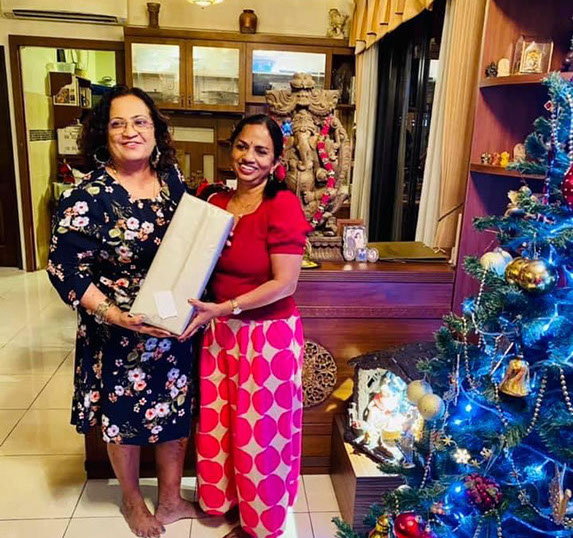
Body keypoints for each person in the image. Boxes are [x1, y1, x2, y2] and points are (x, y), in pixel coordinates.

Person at [47, 86, 200, 538]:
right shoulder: (87, 196)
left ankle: (170, 499)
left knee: (175, 411)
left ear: (155, 130)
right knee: (122, 420)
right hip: (118, 329)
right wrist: (115, 315)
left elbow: (189, 239)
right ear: (103, 133)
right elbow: (64, 270)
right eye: (118, 123)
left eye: (140, 122)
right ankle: (132, 501)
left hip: (172, 324)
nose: (131, 131)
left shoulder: (171, 180)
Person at [178, 114, 311, 538]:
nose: (248, 157)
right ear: (230, 148)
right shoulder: (215, 203)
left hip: (267, 337)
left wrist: (228, 307)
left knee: (260, 432)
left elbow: (285, 282)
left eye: (260, 151)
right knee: (221, 422)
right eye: (242, 146)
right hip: (220, 332)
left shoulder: (281, 205)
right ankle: (227, 503)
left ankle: (261, 522)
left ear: (275, 162)